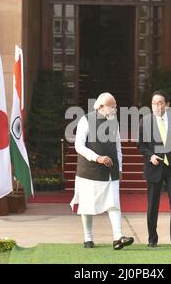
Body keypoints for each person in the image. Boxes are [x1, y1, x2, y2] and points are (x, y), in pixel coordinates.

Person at [70, 93, 135, 250]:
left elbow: (118, 147)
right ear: (100, 107)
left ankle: (118, 237)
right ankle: (88, 238)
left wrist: (119, 167)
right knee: (87, 205)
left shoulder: (114, 122)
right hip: (89, 171)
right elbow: (79, 145)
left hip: (110, 172)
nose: (115, 109)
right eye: (112, 106)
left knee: (114, 204)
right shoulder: (85, 120)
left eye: (115, 106)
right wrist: (97, 158)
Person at [138, 90, 171, 249]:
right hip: (155, 167)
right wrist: (150, 156)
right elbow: (141, 146)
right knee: (153, 204)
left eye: (160, 103)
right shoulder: (145, 121)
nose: (156, 106)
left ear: (167, 105)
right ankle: (152, 238)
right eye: (154, 103)